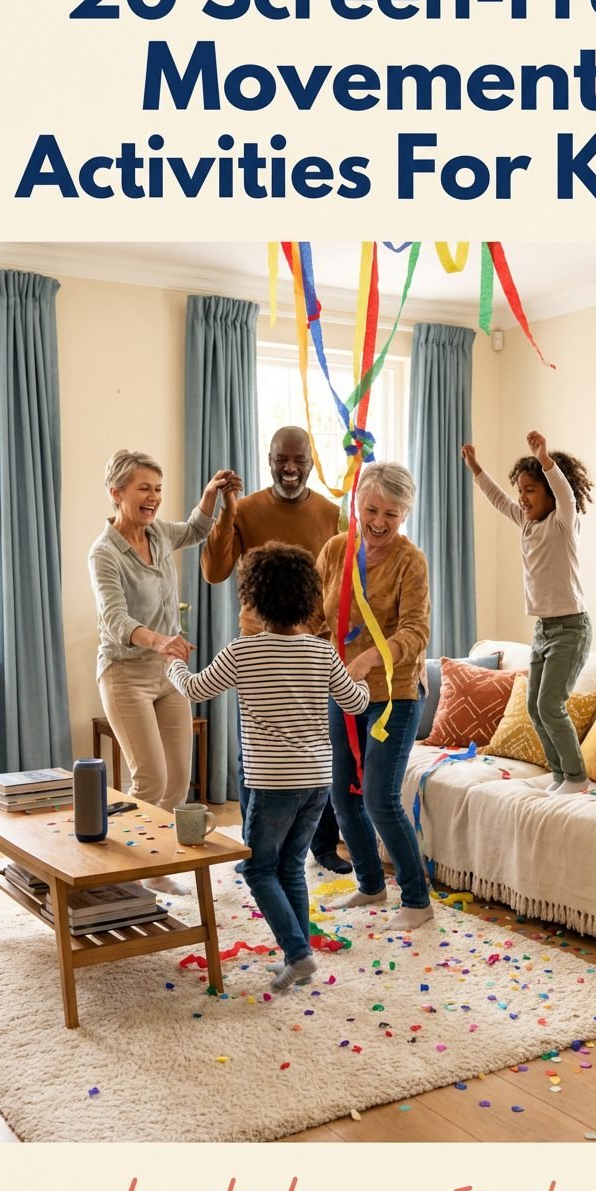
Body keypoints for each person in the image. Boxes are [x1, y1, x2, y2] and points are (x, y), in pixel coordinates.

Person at [167, 542, 369, 992]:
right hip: (318, 782)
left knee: (260, 869)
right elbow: (355, 702)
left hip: (272, 784)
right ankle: (299, 954)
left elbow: (196, 690)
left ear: (254, 599)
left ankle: (297, 955)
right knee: (291, 865)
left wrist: (174, 667)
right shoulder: (321, 653)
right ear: (307, 598)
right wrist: (359, 679)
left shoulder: (244, 651)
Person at [201, 424, 352, 873]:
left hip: (312, 650)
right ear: (268, 459)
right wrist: (228, 512)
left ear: (310, 461)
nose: (289, 468)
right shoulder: (244, 509)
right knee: (257, 754)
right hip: (257, 648)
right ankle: (253, 848)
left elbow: (343, 583)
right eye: (280, 459)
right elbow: (214, 570)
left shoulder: (331, 513)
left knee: (316, 750)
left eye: (298, 460)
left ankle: (323, 846)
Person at [88, 450, 241, 892]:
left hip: (167, 674)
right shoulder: (104, 553)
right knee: (150, 778)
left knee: (177, 779)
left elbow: (195, 528)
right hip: (125, 675)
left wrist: (211, 494)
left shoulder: (157, 535)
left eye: (158, 489)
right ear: (116, 493)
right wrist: (159, 641)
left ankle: (155, 868)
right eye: (144, 489)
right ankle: (123, 873)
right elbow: (115, 620)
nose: (153, 497)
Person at [317, 460, 434, 930]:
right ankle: (370, 884)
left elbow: (416, 631)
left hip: (396, 693)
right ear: (356, 505)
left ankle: (417, 900)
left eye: (393, 513)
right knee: (342, 795)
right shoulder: (335, 551)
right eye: (372, 510)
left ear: (405, 513)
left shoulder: (411, 561)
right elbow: (315, 617)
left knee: (379, 797)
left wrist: (368, 659)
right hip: (343, 690)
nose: (380, 522)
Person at [462, 430, 594, 796]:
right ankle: (560, 776)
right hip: (543, 631)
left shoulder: (563, 523)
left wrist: (545, 459)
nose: (522, 498)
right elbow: (497, 499)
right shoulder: (526, 523)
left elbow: (566, 494)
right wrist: (476, 469)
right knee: (536, 708)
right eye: (520, 490)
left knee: (551, 704)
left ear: (550, 493)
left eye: (530, 490)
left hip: (571, 629)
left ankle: (577, 776)